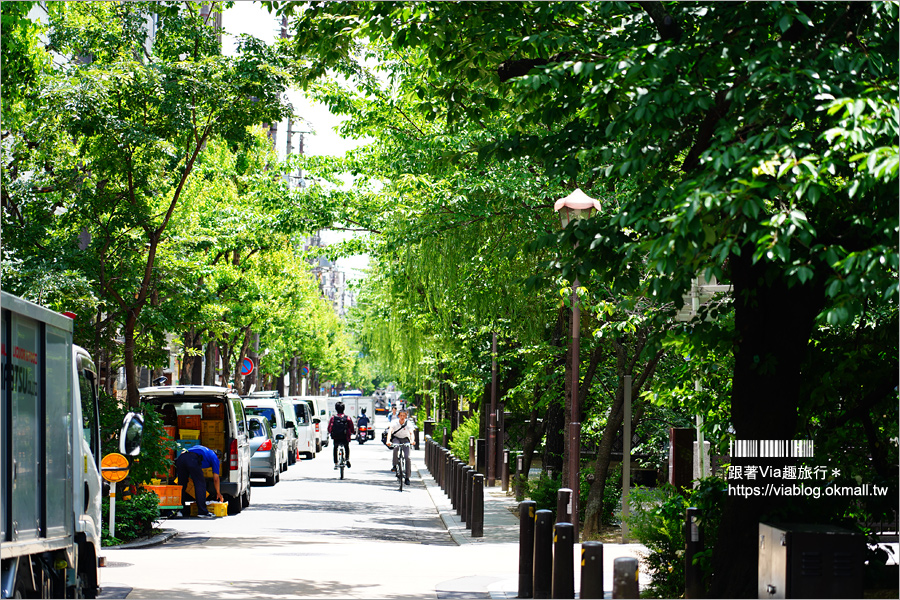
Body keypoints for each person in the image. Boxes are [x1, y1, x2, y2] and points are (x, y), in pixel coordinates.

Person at [175, 444, 223, 519]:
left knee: (181, 485)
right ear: (218, 457)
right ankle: (202, 512)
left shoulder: (202, 448)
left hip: (181, 459)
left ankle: (179, 511)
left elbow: (183, 452)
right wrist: (218, 493)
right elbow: (216, 478)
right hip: (192, 460)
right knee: (200, 484)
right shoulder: (215, 457)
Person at [386, 409, 414, 485]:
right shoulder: (394, 422)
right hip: (396, 438)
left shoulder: (408, 423)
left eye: (404, 416)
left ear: (406, 416)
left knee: (407, 457)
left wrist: (412, 441)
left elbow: (411, 433)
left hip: (405, 439)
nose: (402, 417)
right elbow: (390, 431)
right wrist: (388, 441)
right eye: (401, 415)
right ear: (398, 416)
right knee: (395, 448)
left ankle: (407, 477)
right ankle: (395, 465)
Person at [328, 401, 355, 469]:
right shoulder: (347, 418)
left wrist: (330, 432)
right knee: (346, 447)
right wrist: (352, 432)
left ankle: (336, 463)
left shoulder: (333, 418)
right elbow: (351, 427)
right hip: (345, 437)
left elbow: (329, 428)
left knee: (335, 448)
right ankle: (347, 459)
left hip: (336, 437)